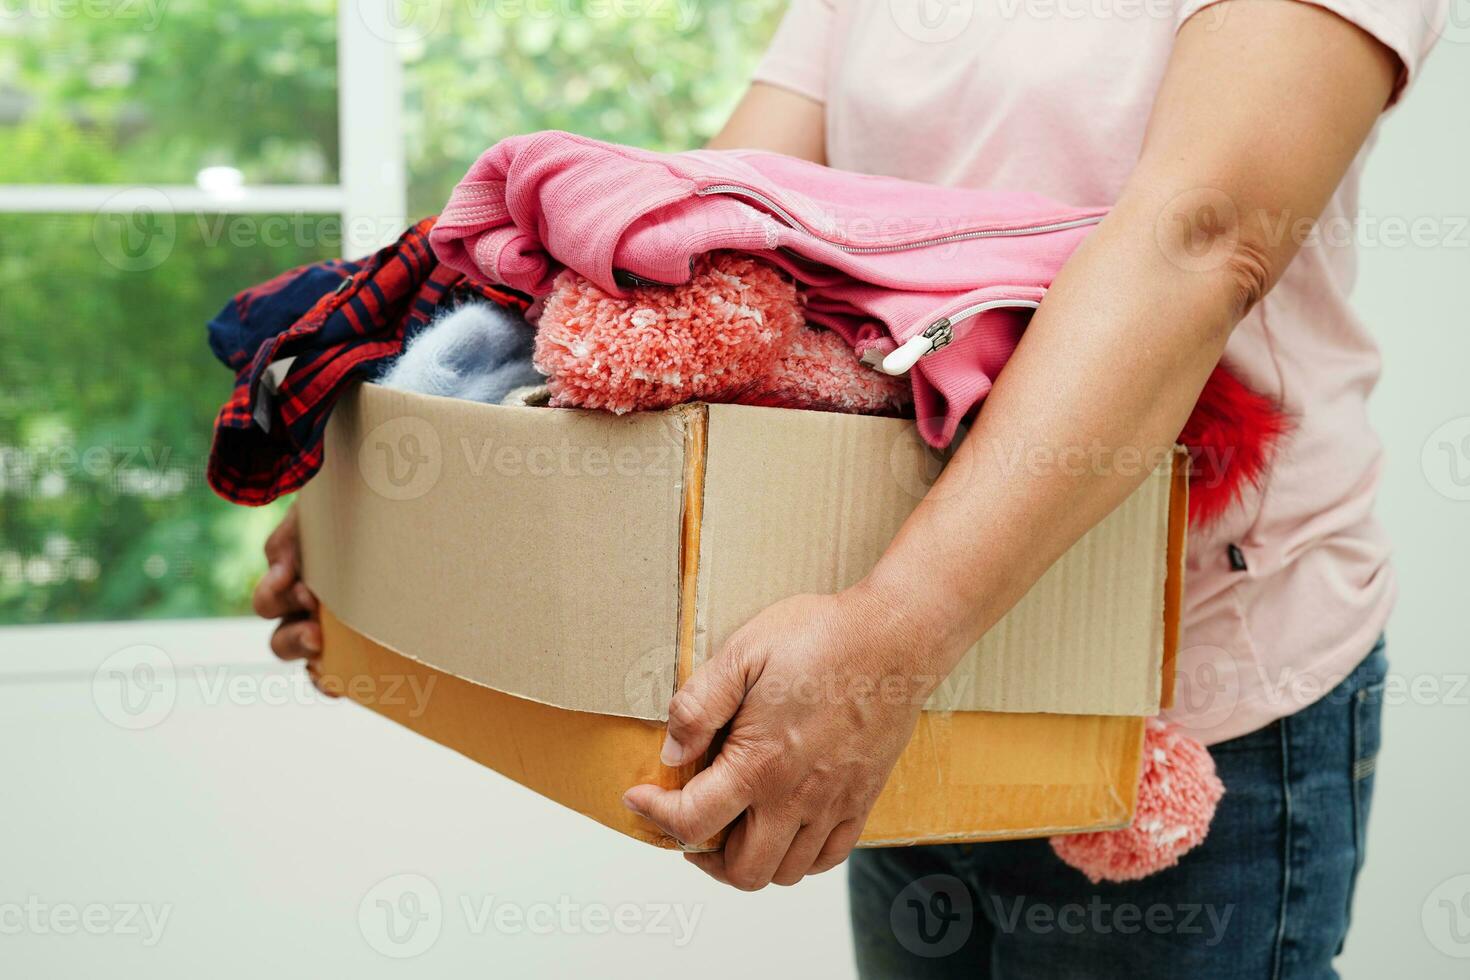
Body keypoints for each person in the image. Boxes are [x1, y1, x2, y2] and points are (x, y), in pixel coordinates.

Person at [255, 1, 1445, 973]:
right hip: (904, 675)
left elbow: (1204, 236)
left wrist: (893, 639)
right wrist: (405, 518)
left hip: (1171, 685)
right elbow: (725, 220)